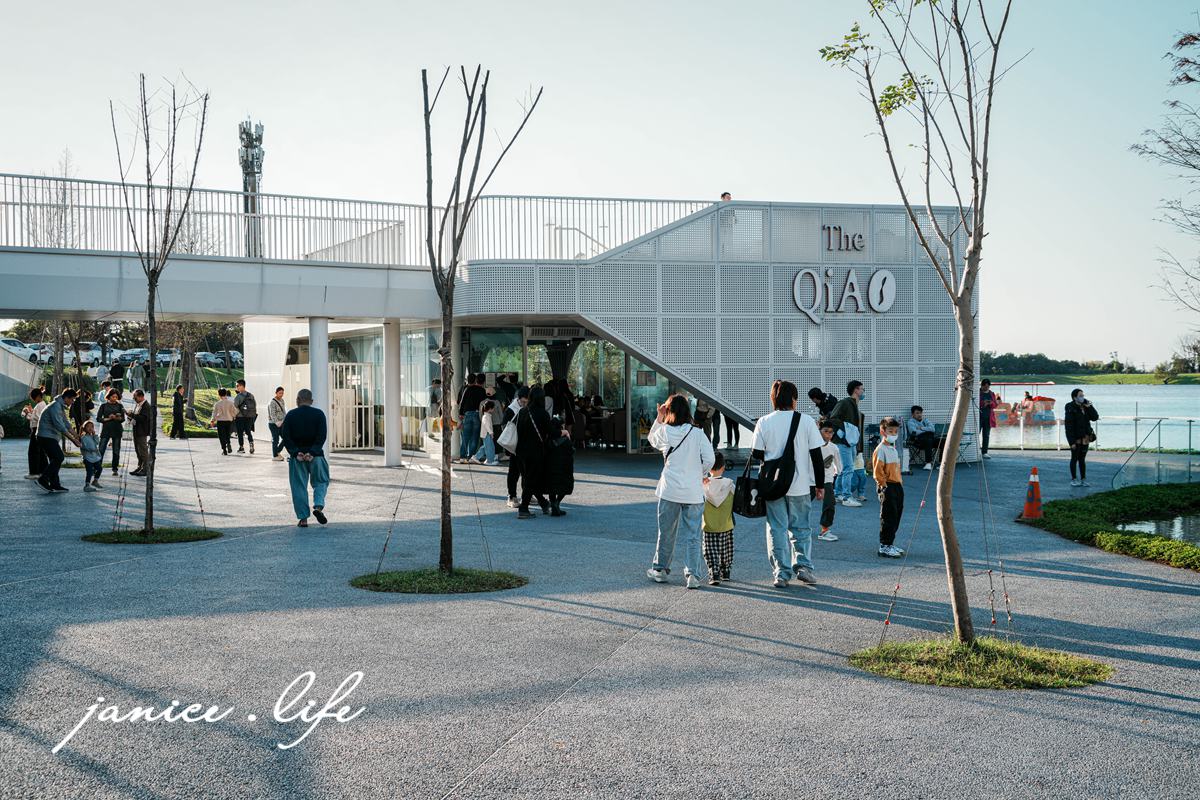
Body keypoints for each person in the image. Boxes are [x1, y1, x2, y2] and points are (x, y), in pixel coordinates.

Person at [750, 380, 825, 588]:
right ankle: (803, 567)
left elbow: (757, 454)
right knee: (801, 528)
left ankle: (781, 573)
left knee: (776, 529)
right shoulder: (806, 421)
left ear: (773, 398)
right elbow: (817, 457)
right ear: (793, 399)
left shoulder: (764, 422)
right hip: (800, 485)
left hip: (773, 486)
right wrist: (820, 485)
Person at [646, 393, 715, 589]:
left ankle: (660, 570)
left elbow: (651, 439)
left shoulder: (665, 431)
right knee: (693, 534)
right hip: (693, 492)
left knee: (666, 532)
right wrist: (699, 473)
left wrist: (659, 417)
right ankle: (692, 575)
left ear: (669, 411)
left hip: (669, 490)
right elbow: (709, 459)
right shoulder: (697, 433)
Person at [281, 388, 330, 528]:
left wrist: (296, 453)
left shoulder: (290, 415)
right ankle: (318, 507)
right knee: (321, 482)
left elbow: (286, 436)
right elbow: (322, 436)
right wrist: (312, 452)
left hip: (298, 458)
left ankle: (303, 519)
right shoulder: (319, 414)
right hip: (316, 457)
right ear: (312, 401)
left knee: (298, 486)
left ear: (297, 400)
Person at [515, 385, 554, 518]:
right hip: (535, 452)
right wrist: (562, 431)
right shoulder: (543, 413)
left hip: (521, 452)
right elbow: (551, 432)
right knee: (531, 480)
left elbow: (518, 432)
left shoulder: (522, 412)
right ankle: (524, 508)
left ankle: (543, 503)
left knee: (529, 479)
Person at [827, 380, 865, 506]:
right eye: (862, 389)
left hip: (848, 442)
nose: (863, 392)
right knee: (848, 468)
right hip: (844, 442)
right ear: (856, 390)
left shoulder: (853, 404)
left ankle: (838, 494)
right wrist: (845, 428)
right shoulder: (845, 403)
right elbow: (833, 418)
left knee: (843, 469)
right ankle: (846, 497)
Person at [873, 417, 906, 558]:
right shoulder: (881, 450)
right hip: (888, 486)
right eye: (890, 431)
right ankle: (884, 545)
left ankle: (890, 543)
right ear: (883, 431)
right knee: (888, 516)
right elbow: (878, 472)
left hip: (897, 485)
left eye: (896, 431)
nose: (893, 434)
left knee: (896, 515)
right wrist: (884, 486)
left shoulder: (892, 449)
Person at [701, 451, 736, 585]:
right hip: (726, 524)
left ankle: (714, 573)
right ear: (723, 467)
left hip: (708, 525)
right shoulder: (730, 485)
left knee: (710, 550)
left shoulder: (704, 485)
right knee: (726, 549)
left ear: (709, 468)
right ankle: (725, 571)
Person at [36, 388, 81, 493]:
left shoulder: (60, 406)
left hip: (50, 437)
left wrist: (77, 436)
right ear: (66, 398)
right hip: (45, 436)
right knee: (59, 457)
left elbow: (66, 423)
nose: (73, 402)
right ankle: (43, 479)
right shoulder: (55, 407)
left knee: (55, 459)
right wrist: (73, 440)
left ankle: (55, 484)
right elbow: (60, 427)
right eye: (72, 400)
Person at [1064, 388, 1099, 488]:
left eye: (1083, 395)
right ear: (1075, 397)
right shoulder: (1070, 407)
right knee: (1074, 458)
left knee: (1082, 459)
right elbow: (1068, 426)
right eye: (1080, 396)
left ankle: (1083, 479)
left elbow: (1095, 417)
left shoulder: (1086, 406)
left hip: (1085, 437)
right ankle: (1074, 479)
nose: (1082, 397)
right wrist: (1071, 442)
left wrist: (1090, 407)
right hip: (1076, 438)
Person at [544, 417, 575, 516]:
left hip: (550, 468)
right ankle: (557, 502)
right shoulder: (565, 440)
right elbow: (571, 452)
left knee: (552, 487)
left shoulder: (547, 440)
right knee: (565, 486)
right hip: (564, 469)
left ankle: (553, 504)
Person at [504, 387, 529, 508]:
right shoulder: (511, 410)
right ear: (518, 399)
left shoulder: (528, 409)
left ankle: (527, 494)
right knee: (514, 472)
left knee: (526, 472)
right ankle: (511, 496)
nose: (524, 404)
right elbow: (505, 425)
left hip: (524, 445)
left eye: (526, 402)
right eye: (523, 402)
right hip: (514, 446)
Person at [816, 423, 841, 542]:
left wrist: (837, 472)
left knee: (830, 504)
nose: (829, 434)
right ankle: (796, 529)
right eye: (826, 431)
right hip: (810, 479)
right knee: (801, 506)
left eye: (831, 432)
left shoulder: (834, 448)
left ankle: (825, 530)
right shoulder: (811, 445)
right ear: (819, 430)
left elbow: (838, 465)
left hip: (827, 479)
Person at [457, 373, 487, 462]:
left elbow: (462, 402)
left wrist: (461, 413)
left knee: (465, 436)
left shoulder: (468, 389)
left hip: (468, 414)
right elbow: (484, 403)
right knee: (475, 437)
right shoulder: (482, 390)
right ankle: (471, 456)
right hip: (477, 415)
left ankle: (462, 457)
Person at [21, 387, 49, 480]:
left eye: (33, 397)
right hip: (39, 430)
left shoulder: (40, 405)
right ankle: (43, 471)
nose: (33, 399)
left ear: (37, 396)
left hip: (36, 429)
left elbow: (36, 418)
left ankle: (34, 473)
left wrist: (28, 412)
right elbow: (36, 416)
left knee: (33, 452)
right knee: (40, 452)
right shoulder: (41, 404)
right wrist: (31, 412)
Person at [96, 388, 125, 475]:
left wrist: (116, 418)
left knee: (116, 450)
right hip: (106, 430)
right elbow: (98, 418)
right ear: (108, 396)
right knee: (101, 449)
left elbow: (123, 419)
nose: (114, 398)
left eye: (116, 397)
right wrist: (108, 418)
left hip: (117, 430)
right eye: (113, 397)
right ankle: (97, 467)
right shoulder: (103, 406)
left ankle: (115, 468)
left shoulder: (120, 406)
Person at [126, 389, 154, 476]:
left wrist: (132, 415)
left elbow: (143, 418)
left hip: (142, 431)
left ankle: (145, 469)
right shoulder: (138, 404)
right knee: (138, 450)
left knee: (143, 451)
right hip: (137, 430)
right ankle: (140, 467)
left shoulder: (146, 406)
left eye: (135, 397)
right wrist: (130, 416)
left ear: (141, 396)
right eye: (134, 397)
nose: (134, 398)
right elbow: (137, 417)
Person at [906, 405, 938, 470]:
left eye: (920, 413)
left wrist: (921, 428)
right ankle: (928, 463)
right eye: (917, 413)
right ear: (913, 414)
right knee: (928, 438)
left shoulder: (925, 420)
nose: (919, 415)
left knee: (943, 441)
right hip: (918, 441)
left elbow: (933, 429)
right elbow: (914, 432)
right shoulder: (910, 422)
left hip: (930, 439)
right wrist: (927, 430)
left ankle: (943, 463)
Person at [471, 399, 500, 466]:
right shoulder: (486, 416)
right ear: (490, 408)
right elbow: (487, 426)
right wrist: (491, 433)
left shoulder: (486, 416)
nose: (493, 410)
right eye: (493, 408)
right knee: (490, 447)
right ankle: (489, 461)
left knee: (486, 447)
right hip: (487, 434)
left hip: (486, 434)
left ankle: (476, 457)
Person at [209, 388, 237, 455]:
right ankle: (229, 443)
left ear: (219, 395)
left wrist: (213, 420)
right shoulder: (231, 403)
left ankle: (224, 449)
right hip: (229, 420)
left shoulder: (217, 404)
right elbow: (234, 412)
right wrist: (233, 416)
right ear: (226, 394)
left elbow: (214, 413)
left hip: (220, 421)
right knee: (227, 434)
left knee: (221, 436)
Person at [232, 379, 257, 454]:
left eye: (237, 386)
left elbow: (235, 407)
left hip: (240, 417)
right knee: (248, 432)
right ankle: (251, 444)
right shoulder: (251, 395)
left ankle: (241, 447)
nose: (236, 387)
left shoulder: (238, 396)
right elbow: (255, 405)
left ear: (242, 386)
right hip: (249, 417)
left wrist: (234, 416)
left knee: (240, 432)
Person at [80, 419, 103, 491]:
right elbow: (84, 447)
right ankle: (87, 485)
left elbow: (97, 442)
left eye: (92, 427)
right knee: (89, 471)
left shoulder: (92, 436)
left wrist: (95, 435)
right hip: (87, 458)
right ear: (84, 428)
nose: (90, 428)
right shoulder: (83, 437)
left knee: (99, 468)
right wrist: (91, 450)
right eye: (88, 427)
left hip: (95, 457)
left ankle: (95, 481)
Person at [978, 379, 998, 459]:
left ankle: (984, 452)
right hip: (979, 416)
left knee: (986, 435)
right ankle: (975, 451)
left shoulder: (991, 393)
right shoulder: (978, 392)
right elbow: (975, 402)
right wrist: (983, 403)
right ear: (982, 385)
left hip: (988, 417)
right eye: (985, 386)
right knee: (977, 434)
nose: (986, 388)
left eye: (988, 386)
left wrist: (991, 403)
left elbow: (995, 404)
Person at [268, 386, 287, 461]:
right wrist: (276, 422)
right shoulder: (272, 402)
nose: (281, 394)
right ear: (276, 393)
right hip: (273, 424)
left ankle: (278, 451)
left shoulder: (282, 400)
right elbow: (272, 414)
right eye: (280, 393)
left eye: (282, 393)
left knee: (286, 437)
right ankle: (275, 455)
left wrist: (285, 420)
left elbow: (284, 411)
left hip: (282, 423)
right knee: (275, 439)